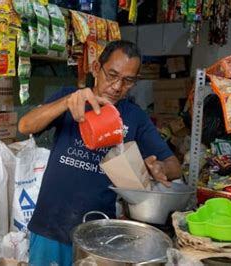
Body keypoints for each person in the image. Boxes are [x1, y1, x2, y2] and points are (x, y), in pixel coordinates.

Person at [18, 41, 182, 265]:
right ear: (96, 69)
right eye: (112, 75)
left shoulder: (134, 117)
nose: (117, 86)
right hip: (49, 227)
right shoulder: (71, 98)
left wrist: (160, 168)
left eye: (128, 81)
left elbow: (175, 165)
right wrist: (66, 102)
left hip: (98, 235)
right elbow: (25, 126)